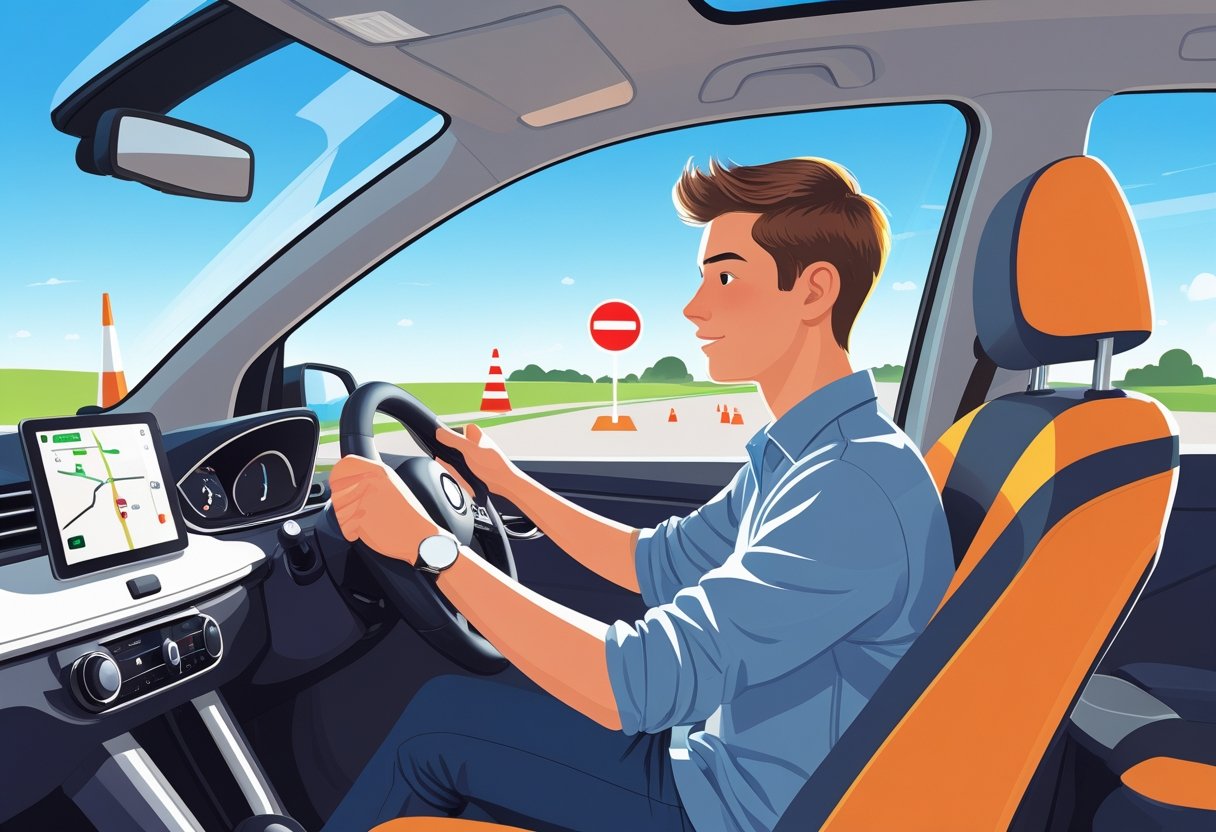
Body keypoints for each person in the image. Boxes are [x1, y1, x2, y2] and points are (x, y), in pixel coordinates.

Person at [323, 157, 953, 832]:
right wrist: (505, 481)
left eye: (726, 276)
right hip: (718, 761)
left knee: (434, 731)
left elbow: (642, 684)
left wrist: (430, 547)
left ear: (813, 290)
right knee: (447, 712)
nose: (693, 306)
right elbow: (655, 562)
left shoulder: (849, 485)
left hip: (738, 810)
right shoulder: (802, 453)